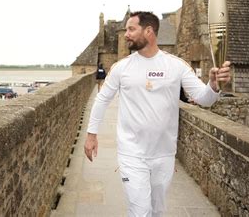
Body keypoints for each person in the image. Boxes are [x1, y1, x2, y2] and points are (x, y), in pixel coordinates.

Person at [84, 11, 231, 217]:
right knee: (140, 211)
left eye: (131, 29)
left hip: (164, 154)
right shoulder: (121, 67)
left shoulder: (176, 66)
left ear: (149, 31)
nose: (126, 34)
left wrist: (214, 85)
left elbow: (203, 98)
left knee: (157, 211)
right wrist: (91, 135)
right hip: (132, 153)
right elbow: (101, 100)